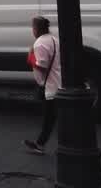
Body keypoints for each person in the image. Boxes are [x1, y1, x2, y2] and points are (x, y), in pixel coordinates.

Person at [23, 16, 61, 155]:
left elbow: (42, 66)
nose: (32, 30)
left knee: (51, 117)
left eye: (33, 27)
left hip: (50, 86)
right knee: (51, 117)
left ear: (36, 29)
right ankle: (40, 143)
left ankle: (43, 145)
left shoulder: (40, 43)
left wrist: (30, 58)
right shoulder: (54, 39)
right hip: (58, 82)